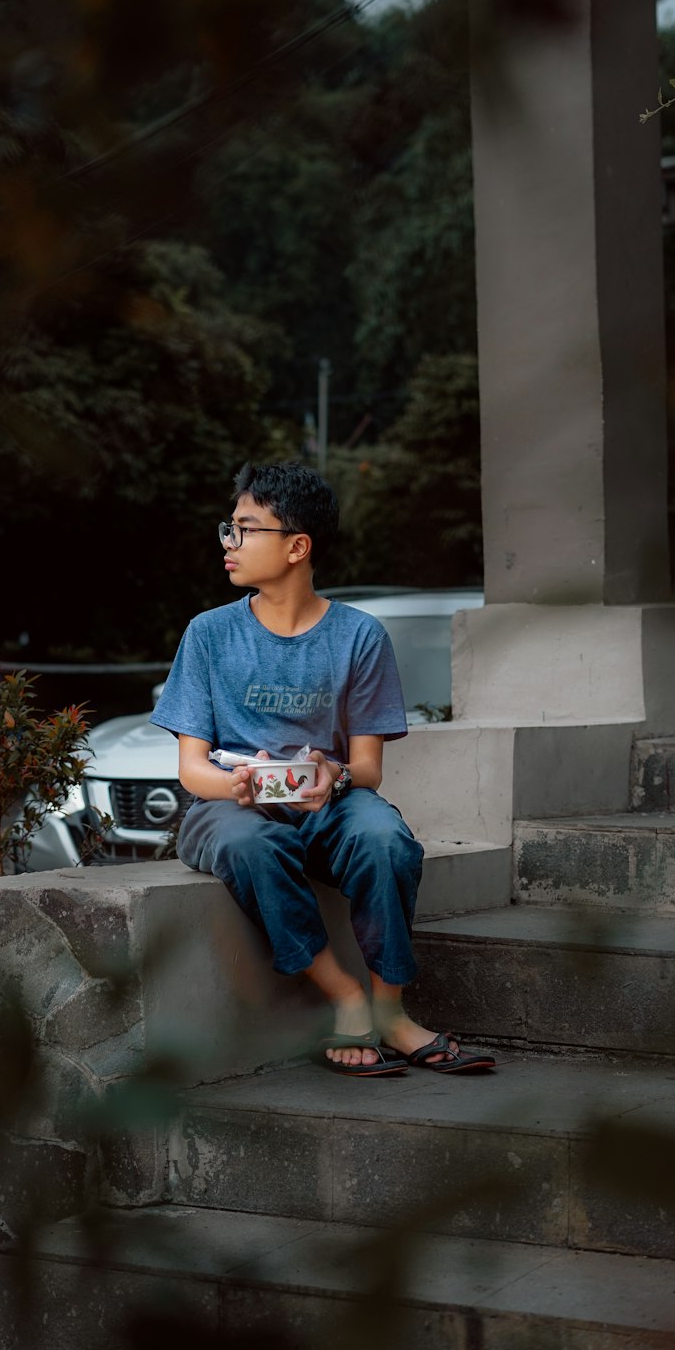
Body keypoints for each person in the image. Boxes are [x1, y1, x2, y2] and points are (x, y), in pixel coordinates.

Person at [150, 460, 495, 1078]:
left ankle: (390, 1011)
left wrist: (329, 775)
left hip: (329, 804)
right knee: (252, 843)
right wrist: (241, 783)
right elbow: (192, 772)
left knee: (384, 838)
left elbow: (368, 769)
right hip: (226, 808)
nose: (228, 544)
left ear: (296, 546)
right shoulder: (208, 635)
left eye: (244, 530)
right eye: (228, 528)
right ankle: (344, 996)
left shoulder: (359, 637)